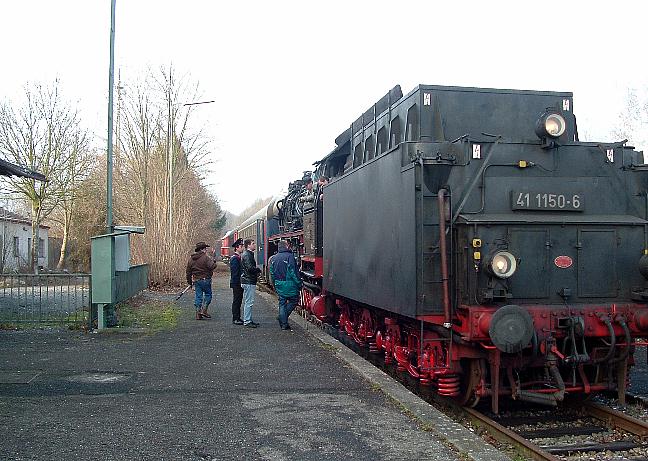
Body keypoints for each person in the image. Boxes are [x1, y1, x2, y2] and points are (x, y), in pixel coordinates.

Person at [270, 240, 302, 330]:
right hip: (289, 284)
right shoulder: (290, 257)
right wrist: (299, 283)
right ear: (286, 246)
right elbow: (293, 272)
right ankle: (282, 318)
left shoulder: (273, 258)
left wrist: (274, 284)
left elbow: (272, 273)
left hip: (278, 283)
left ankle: (283, 323)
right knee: (294, 301)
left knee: (282, 303)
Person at [186, 241, 217, 320]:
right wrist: (213, 260)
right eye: (205, 248)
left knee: (198, 296)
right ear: (202, 249)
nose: (206, 250)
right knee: (208, 295)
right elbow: (212, 266)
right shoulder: (205, 258)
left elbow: (188, 272)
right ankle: (204, 310)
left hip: (197, 281)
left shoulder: (191, 259)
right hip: (205, 280)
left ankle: (198, 314)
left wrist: (190, 282)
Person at [240, 238, 261, 328]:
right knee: (249, 302)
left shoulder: (247, 254)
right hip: (248, 280)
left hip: (247, 280)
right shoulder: (247, 255)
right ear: (248, 245)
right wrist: (258, 270)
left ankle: (248, 319)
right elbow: (250, 268)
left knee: (249, 301)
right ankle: (247, 320)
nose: (254, 245)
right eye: (253, 243)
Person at [229, 238, 245, 325]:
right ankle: (235, 318)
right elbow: (235, 273)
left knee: (238, 301)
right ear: (237, 247)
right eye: (241, 246)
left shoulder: (238, 257)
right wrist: (239, 283)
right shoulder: (235, 258)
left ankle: (238, 317)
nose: (243, 248)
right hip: (237, 283)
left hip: (237, 283)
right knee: (237, 301)